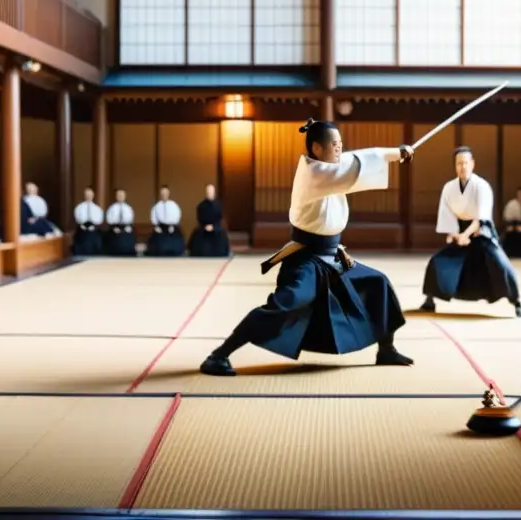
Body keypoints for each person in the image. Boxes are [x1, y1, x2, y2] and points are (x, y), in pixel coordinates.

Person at [199, 118, 414, 377]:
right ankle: (218, 355)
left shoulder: (330, 166)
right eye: (334, 145)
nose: (340, 149)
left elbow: (357, 158)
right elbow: (356, 168)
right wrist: (395, 155)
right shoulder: (315, 173)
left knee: (377, 283)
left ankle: (386, 349)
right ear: (316, 148)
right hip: (307, 259)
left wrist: (396, 153)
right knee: (286, 303)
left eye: (340, 144)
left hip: (334, 256)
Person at [420, 147, 521, 317]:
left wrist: (466, 235)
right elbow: (448, 216)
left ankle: (516, 301)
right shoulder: (449, 188)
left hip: (480, 233)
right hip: (459, 232)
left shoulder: (482, 186)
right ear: (455, 166)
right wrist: (455, 235)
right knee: (438, 262)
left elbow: (481, 218)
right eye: (459, 163)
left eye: (465, 163)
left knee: (501, 264)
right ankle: (430, 299)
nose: (462, 167)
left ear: (472, 164)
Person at [188, 184, 232, 257]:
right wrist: (205, 226)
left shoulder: (218, 205)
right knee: (197, 234)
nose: (209, 193)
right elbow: (199, 218)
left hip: (216, 227)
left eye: (211, 192)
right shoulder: (201, 205)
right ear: (206, 193)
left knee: (221, 234)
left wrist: (213, 226)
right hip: (204, 227)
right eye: (208, 192)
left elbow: (219, 218)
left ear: (214, 193)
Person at [147, 186, 185, 256]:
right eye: (163, 193)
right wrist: (156, 227)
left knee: (176, 239)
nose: (164, 195)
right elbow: (153, 218)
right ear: (160, 194)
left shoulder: (174, 205)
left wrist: (173, 226)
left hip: (172, 226)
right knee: (156, 240)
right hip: (160, 227)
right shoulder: (156, 206)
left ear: (169, 194)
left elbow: (177, 216)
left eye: (166, 193)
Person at [71, 187, 104, 256]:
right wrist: (83, 226)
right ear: (84, 195)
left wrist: (93, 226)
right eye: (87, 194)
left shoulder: (97, 208)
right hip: (82, 228)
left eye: (90, 195)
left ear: (93, 195)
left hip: (93, 229)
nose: (88, 196)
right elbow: (77, 217)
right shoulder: (79, 207)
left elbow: (99, 220)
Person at [105, 189, 137, 256]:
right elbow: (109, 220)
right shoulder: (112, 208)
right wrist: (114, 228)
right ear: (116, 196)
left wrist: (127, 228)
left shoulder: (128, 208)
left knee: (129, 238)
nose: (120, 197)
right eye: (119, 195)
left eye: (122, 195)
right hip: (114, 228)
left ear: (125, 196)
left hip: (126, 228)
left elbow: (131, 220)